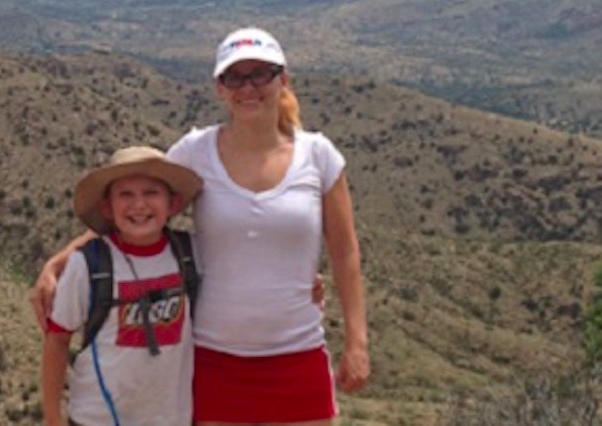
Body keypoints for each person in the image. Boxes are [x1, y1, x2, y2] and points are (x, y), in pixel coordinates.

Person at [34, 27, 369, 425]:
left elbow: (345, 251)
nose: (248, 87)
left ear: (283, 79)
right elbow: (139, 210)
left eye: (260, 74)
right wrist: (59, 262)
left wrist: (357, 342)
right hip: (214, 360)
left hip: (299, 354)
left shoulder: (319, 156)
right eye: (235, 77)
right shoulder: (196, 152)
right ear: (219, 88)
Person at [40, 146, 204, 426]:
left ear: (173, 204)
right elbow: (57, 340)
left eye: (151, 193)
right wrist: (53, 418)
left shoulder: (192, 254)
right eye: (125, 194)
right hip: (97, 418)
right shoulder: (88, 264)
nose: (139, 205)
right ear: (107, 208)